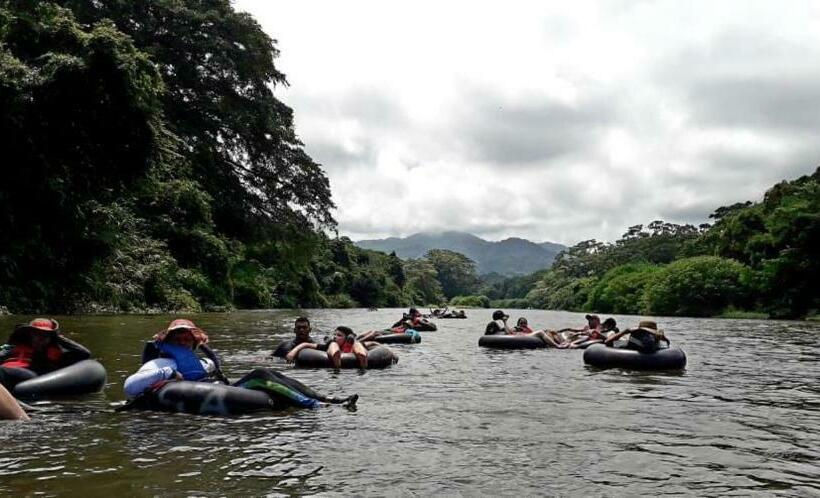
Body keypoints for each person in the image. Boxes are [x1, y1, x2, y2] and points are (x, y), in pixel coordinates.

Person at [124, 319, 356, 409]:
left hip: (219, 389)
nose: (184, 342)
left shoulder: (201, 362)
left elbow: (218, 377)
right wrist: (169, 372)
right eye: (179, 339)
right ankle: (314, 406)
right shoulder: (162, 361)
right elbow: (131, 386)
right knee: (259, 375)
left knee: (268, 373)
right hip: (187, 391)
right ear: (170, 341)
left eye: (188, 338)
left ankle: (326, 397)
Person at [0, 318, 91, 390]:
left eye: (45, 335)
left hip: (31, 378)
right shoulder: (12, 347)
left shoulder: (56, 353)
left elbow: (84, 353)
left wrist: (58, 336)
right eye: (37, 334)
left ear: (51, 337)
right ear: (30, 335)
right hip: (6, 373)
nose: (41, 338)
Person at [604, 320, 669, 353]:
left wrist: (624, 332)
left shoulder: (628, 343)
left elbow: (607, 342)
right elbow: (667, 342)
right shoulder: (660, 342)